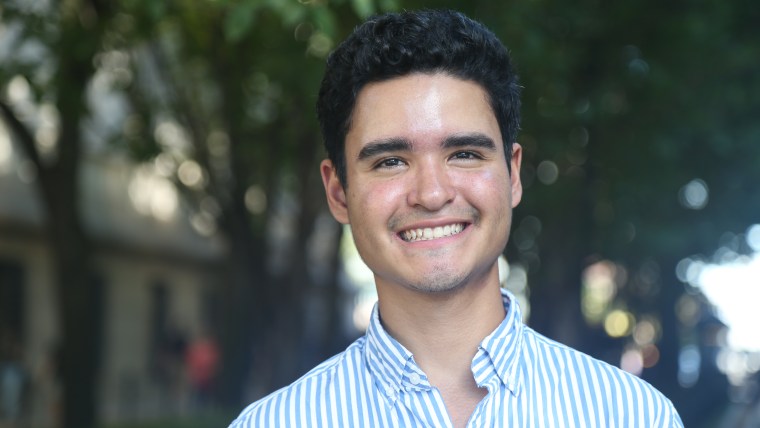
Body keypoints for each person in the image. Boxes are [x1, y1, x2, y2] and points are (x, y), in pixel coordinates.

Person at [230, 9, 683, 427]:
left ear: (513, 175)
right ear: (338, 192)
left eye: (464, 154)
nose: (431, 194)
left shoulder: (633, 415)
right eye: (390, 161)